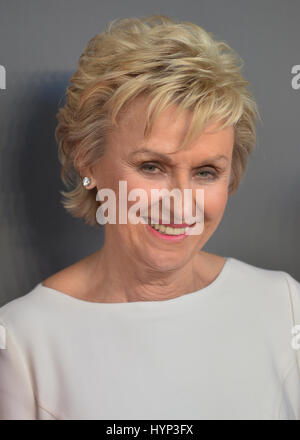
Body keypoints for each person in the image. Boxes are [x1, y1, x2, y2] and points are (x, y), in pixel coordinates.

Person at [0, 14, 299, 420]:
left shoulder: (284, 304)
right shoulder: (21, 341)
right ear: (88, 160)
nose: (180, 205)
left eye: (205, 172)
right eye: (152, 167)